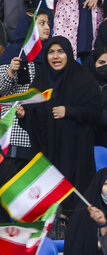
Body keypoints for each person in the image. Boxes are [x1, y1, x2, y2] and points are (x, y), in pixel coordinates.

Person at [17, 36, 103, 193]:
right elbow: (32, 117)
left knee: (73, 200)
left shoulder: (84, 80)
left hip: (75, 151)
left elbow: (96, 112)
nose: (55, 56)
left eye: (60, 52)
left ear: (69, 54)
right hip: (46, 151)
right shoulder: (40, 80)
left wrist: (69, 111)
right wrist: (23, 115)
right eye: (51, 52)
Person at [0, 9, 52, 165]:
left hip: (39, 130)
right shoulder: (12, 55)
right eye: (42, 23)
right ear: (29, 30)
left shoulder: (50, 56)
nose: (47, 27)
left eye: (48, 23)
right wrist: (10, 72)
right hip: (14, 131)